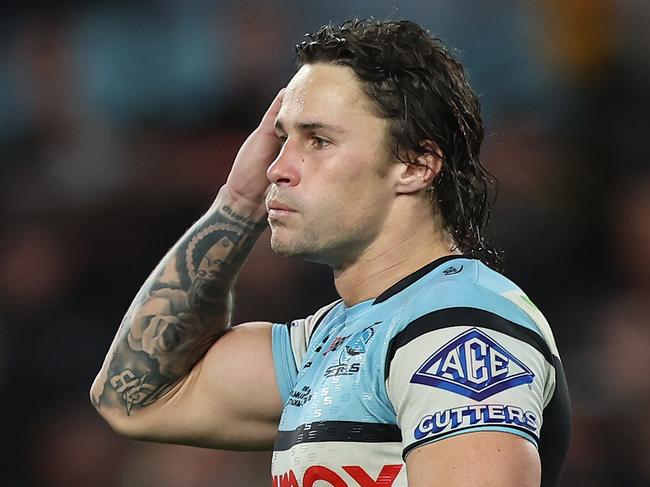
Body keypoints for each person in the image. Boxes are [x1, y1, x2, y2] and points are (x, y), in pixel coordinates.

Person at [91, 19, 570, 487]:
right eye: (283, 139)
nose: (276, 169)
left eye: (318, 141)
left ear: (415, 165)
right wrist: (236, 204)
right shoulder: (334, 338)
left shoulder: (457, 329)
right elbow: (132, 397)